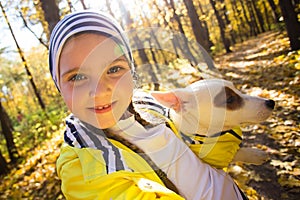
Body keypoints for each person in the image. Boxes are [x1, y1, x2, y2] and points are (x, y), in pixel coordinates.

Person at [49, 10, 247, 200]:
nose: (100, 90)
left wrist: (208, 116)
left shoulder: (150, 106)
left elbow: (213, 157)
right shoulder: (79, 168)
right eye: (78, 77)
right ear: (59, 87)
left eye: (114, 69)